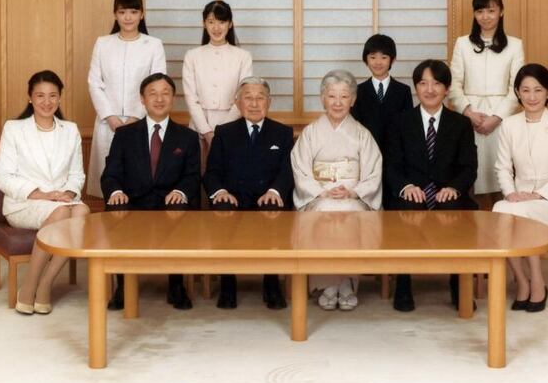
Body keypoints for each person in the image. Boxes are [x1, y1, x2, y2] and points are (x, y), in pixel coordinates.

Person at [100, 73, 200, 310]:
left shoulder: (187, 137)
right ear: (142, 99)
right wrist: (115, 192)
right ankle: (123, 285)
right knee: (117, 208)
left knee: (178, 208)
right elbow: (111, 173)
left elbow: (193, 176)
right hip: (133, 199)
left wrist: (180, 191)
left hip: (169, 200)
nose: (159, 99)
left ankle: (176, 285)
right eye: (152, 93)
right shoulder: (124, 134)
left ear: (173, 98)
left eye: (165, 93)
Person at [385, 59, 478, 312]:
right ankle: (403, 285)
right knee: (404, 207)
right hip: (411, 193)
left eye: (436, 83)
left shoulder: (461, 124)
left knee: (458, 208)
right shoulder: (400, 121)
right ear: (416, 87)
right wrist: (406, 186)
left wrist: (454, 187)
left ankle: (459, 284)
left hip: (448, 192)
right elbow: (391, 165)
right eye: (423, 83)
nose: (429, 89)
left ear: (446, 89)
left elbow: (469, 167)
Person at [0, 70, 90, 315]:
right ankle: (29, 287)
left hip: (61, 201)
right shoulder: (14, 129)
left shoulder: (70, 130)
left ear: (59, 98)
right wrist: (40, 194)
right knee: (60, 214)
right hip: (23, 203)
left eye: (53, 96)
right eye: (40, 96)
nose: (47, 102)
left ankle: (45, 284)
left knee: (83, 211)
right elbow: (3, 176)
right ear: (30, 98)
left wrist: (69, 193)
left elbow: (77, 175)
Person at [291, 70, 383, 311]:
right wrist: (320, 192)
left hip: (352, 195)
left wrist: (354, 192)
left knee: (351, 213)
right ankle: (329, 284)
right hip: (320, 195)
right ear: (323, 98)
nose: (338, 102)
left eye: (344, 96)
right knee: (323, 211)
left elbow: (373, 170)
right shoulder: (311, 133)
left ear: (353, 99)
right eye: (332, 96)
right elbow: (300, 168)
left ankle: (346, 284)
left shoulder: (362, 134)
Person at [493, 63, 548, 313]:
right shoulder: (509, 125)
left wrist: (537, 195)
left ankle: (537, 282)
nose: (532, 97)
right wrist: (510, 193)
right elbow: (502, 168)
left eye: (538, 90)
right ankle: (523, 281)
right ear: (518, 93)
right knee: (500, 209)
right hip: (518, 201)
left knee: (516, 214)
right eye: (526, 90)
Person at [203, 76, 294, 310]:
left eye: (260, 98)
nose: (254, 104)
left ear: (269, 102)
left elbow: (288, 171)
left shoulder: (282, 132)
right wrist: (221, 191)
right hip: (234, 197)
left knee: (274, 209)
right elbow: (212, 172)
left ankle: (272, 284)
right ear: (237, 102)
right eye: (248, 98)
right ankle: (227, 284)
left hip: (267, 198)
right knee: (222, 208)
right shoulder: (224, 132)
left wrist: (275, 191)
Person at [87, 0, 167, 198]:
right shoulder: (103, 43)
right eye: (122, 12)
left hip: (141, 121)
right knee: (109, 184)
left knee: (137, 180)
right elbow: (94, 82)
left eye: (133, 11)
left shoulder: (153, 45)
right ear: (115, 14)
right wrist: (111, 118)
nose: (128, 17)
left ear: (142, 14)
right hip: (108, 122)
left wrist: (134, 117)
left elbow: (157, 85)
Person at [448, 0, 524, 201]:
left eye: (491, 10)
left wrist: (496, 118)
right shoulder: (463, 43)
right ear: (474, 14)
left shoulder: (515, 45)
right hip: (469, 117)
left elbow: (517, 86)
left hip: (502, 118)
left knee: (502, 173)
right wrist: (468, 113)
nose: (485, 16)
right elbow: (454, 83)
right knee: (470, 172)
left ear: (501, 12)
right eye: (480, 11)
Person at [183, 0, 253, 163]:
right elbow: (190, 97)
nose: (216, 28)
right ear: (204, 24)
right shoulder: (192, 56)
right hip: (199, 123)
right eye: (211, 22)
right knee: (197, 174)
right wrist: (207, 132)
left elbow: (242, 96)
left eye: (222, 22)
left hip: (232, 123)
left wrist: (221, 131)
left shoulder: (243, 56)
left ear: (230, 24)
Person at [351, 34, 413, 207]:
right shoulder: (358, 91)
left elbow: (408, 127)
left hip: (396, 157)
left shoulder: (403, 91)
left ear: (392, 59)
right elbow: (355, 126)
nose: (378, 62)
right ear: (365, 60)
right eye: (372, 57)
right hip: (366, 157)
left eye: (384, 57)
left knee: (394, 205)